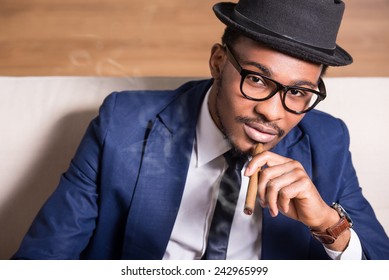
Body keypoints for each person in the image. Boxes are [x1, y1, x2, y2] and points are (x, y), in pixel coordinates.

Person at [12, 0, 389, 260]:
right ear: (218, 61)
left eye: (298, 92)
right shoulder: (122, 124)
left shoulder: (328, 142)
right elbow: (42, 259)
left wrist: (327, 223)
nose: (272, 113)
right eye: (257, 80)